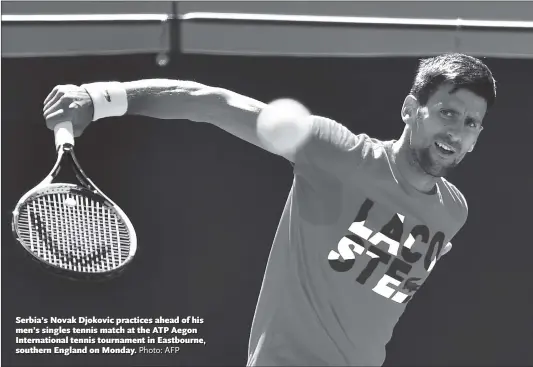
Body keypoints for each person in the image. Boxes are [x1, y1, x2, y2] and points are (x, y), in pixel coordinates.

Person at [42, 53, 496, 366]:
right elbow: (214, 103)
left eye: (471, 123)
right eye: (448, 113)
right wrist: (100, 97)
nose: (457, 132)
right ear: (410, 109)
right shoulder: (336, 153)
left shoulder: (453, 213)